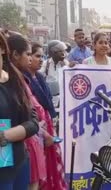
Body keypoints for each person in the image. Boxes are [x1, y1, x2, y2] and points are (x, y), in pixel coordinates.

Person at [8, 36, 67, 190]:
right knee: (9, 181)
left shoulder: (18, 80)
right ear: (14, 54)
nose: (31, 59)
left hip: (26, 143)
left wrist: (36, 128)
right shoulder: (9, 82)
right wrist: (5, 136)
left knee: (32, 182)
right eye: (29, 54)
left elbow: (32, 113)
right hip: (10, 148)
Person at [0, 33, 39, 190]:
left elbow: (33, 122)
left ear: (2, 48)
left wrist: (4, 136)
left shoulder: (15, 80)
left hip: (19, 161)